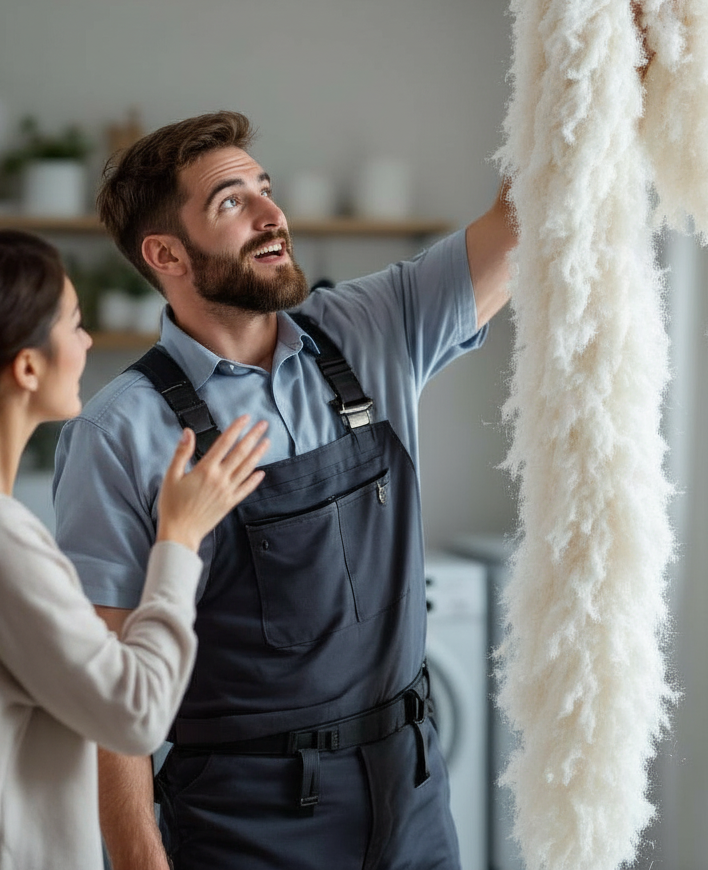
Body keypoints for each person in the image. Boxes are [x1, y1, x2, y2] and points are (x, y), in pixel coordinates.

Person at [53, 111, 517, 870]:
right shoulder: (118, 435)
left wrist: (591, 40)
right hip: (247, 826)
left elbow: (521, 219)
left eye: (264, 190)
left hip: (415, 796)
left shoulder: (371, 328)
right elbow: (107, 693)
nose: (273, 217)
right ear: (166, 253)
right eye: (231, 203)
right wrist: (140, 861)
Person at [0, 230, 270, 870]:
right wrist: (179, 537)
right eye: (75, 325)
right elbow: (134, 714)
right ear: (26, 366)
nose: (86, 342)